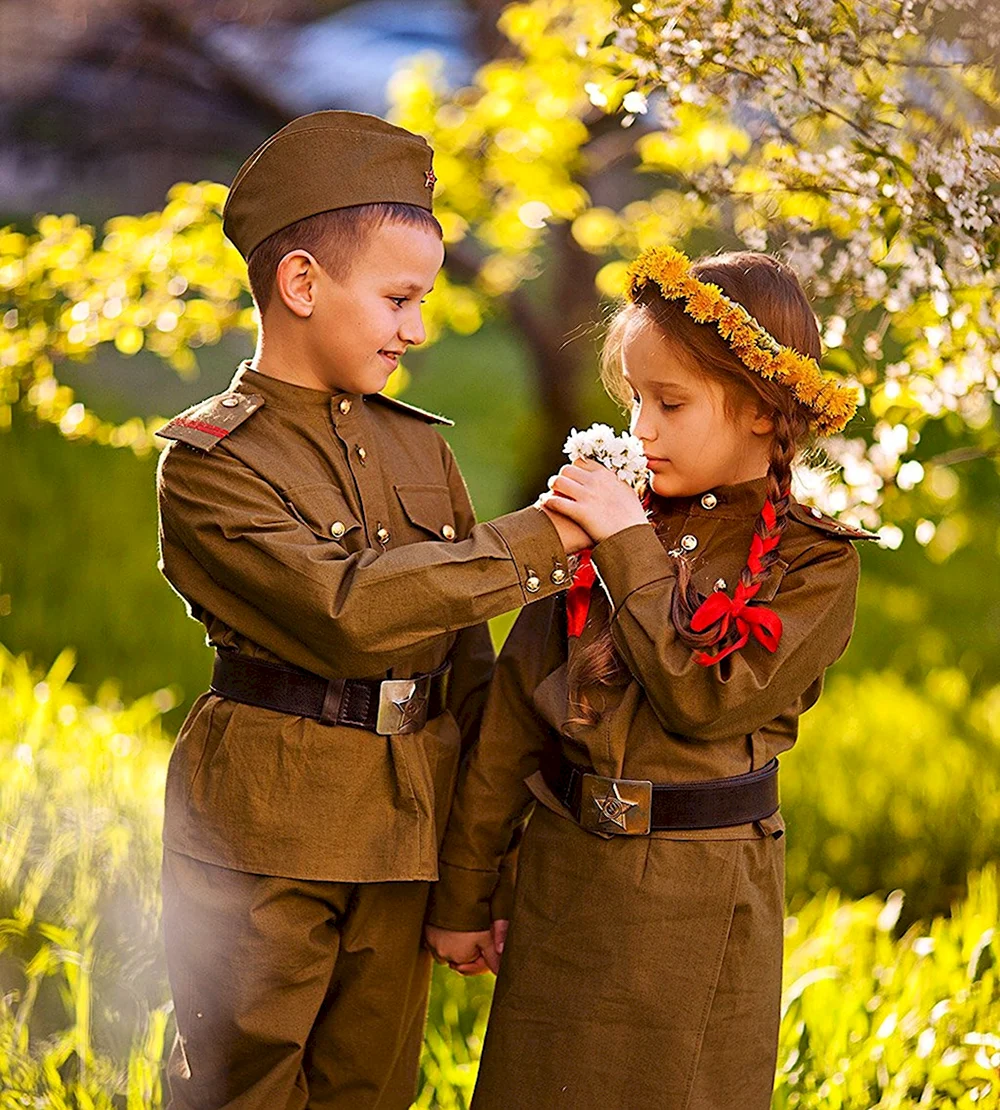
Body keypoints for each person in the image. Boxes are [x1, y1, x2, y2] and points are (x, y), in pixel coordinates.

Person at [154, 110, 587, 1110]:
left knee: (374, 1086)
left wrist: (482, 868)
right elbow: (347, 610)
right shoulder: (212, 464)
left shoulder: (417, 448)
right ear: (302, 284)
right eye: (398, 298)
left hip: (403, 828)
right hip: (262, 827)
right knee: (243, 1083)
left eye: (422, 300)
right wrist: (541, 542)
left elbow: (467, 666)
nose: (417, 329)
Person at [424, 246, 876, 1109]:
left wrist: (626, 543)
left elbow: (708, 698)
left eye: (670, 402)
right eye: (633, 398)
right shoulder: (604, 528)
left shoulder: (815, 569)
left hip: (699, 906)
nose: (642, 429)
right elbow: (515, 715)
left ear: (758, 412)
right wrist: (466, 889)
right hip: (565, 888)